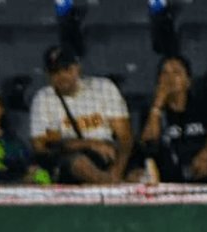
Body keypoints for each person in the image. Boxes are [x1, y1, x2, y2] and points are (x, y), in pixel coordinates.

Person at [29, 46, 133, 184]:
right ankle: (110, 187)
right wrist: (90, 144)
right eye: (55, 72)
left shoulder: (103, 88)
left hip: (107, 153)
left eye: (66, 69)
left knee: (138, 174)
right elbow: (43, 145)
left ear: (77, 68)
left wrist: (118, 169)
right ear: (48, 75)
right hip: (69, 157)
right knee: (79, 163)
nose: (61, 76)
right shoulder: (43, 98)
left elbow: (125, 137)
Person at [138, 55, 207, 183]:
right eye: (164, 73)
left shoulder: (202, 105)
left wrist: (205, 154)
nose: (170, 79)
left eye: (176, 72)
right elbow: (149, 143)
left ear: (188, 81)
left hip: (204, 175)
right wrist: (158, 105)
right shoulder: (152, 112)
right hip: (168, 180)